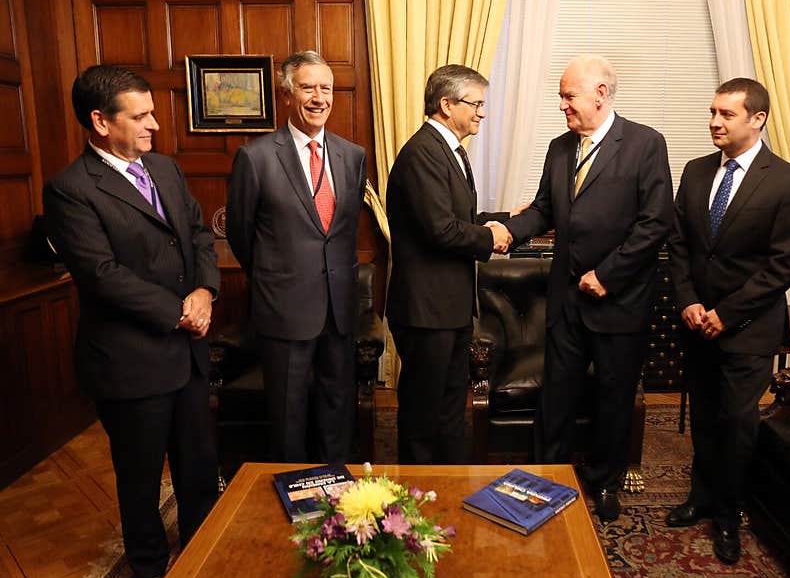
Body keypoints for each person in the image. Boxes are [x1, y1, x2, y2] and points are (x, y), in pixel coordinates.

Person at [42, 65, 220, 578]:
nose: (155, 126)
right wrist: (178, 310)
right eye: (140, 116)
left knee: (197, 465)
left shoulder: (165, 168)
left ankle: (205, 551)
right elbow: (101, 275)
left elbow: (196, 234)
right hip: (131, 362)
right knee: (140, 479)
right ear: (100, 122)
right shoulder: (70, 190)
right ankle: (152, 573)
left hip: (188, 351)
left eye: (152, 113)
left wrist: (206, 291)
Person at [503, 55, 674, 522]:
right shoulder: (560, 148)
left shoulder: (644, 144)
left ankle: (605, 483)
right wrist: (505, 232)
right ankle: (544, 478)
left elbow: (655, 221)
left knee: (613, 399)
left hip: (619, 302)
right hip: (565, 302)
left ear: (600, 93)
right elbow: (543, 210)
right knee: (555, 395)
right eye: (561, 96)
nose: (562, 105)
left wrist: (608, 274)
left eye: (568, 96)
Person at [666, 77, 790, 563]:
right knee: (705, 418)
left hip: (747, 329)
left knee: (737, 423)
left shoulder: (788, 180)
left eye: (726, 114)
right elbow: (681, 244)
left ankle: (728, 515)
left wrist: (726, 315)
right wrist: (687, 300)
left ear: (757, 119)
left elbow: (784, 264)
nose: (714, 122)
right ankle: (701, 498)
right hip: (696, 323)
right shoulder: (695, 170)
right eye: (712, 112)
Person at [226, 51, 367, 464]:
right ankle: (292, 498)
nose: (319, 97)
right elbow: (241, 233)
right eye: (308, 87)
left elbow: (343, 230)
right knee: (287, 414)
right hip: (284, 307)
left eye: (326, 88)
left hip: (339, 307)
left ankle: (337, 494)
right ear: (287, 93)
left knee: (337, 408)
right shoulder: (256, 157)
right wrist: (278, 277)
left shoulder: (352, 156)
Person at [385, 64, 510, 465]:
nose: (481, 113)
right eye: (475, 103)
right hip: (426, 312)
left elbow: (456, 217)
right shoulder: (423, 153)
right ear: (446, 104)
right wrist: (490, 237)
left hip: (447, 309)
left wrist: (503, 220)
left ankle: (447, 490)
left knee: (450, 409)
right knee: (425, 415)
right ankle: (417, 502)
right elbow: (440, 230)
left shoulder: (449, 151)